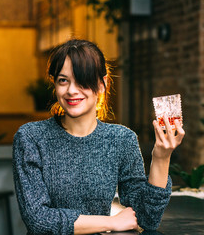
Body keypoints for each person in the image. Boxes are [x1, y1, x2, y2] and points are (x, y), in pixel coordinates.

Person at [12, 39, 185, 235]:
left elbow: (147, 218)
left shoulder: (122, 139)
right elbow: (38, 219)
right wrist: (110, 222)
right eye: (63, 80)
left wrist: (161, 157)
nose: (71, 90)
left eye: (82, 80)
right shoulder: (31, 137)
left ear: (103, 84)